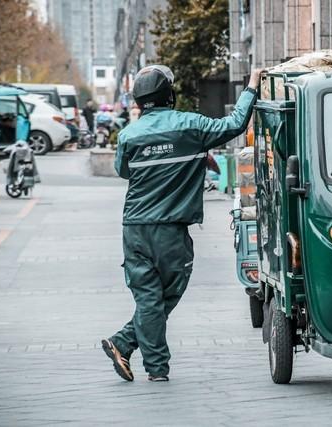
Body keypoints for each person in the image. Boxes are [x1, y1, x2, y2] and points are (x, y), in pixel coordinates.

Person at [101, 64, 262, 382]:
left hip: (134, 228)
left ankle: (124, 344)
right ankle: (155, 367)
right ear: (168, 95)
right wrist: (253, 84)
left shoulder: (129, 135)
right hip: (170, 229)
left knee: (148, 296)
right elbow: (235, 124)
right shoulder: (191, 125)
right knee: (165, 294)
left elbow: (125, 171)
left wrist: (190, 158)